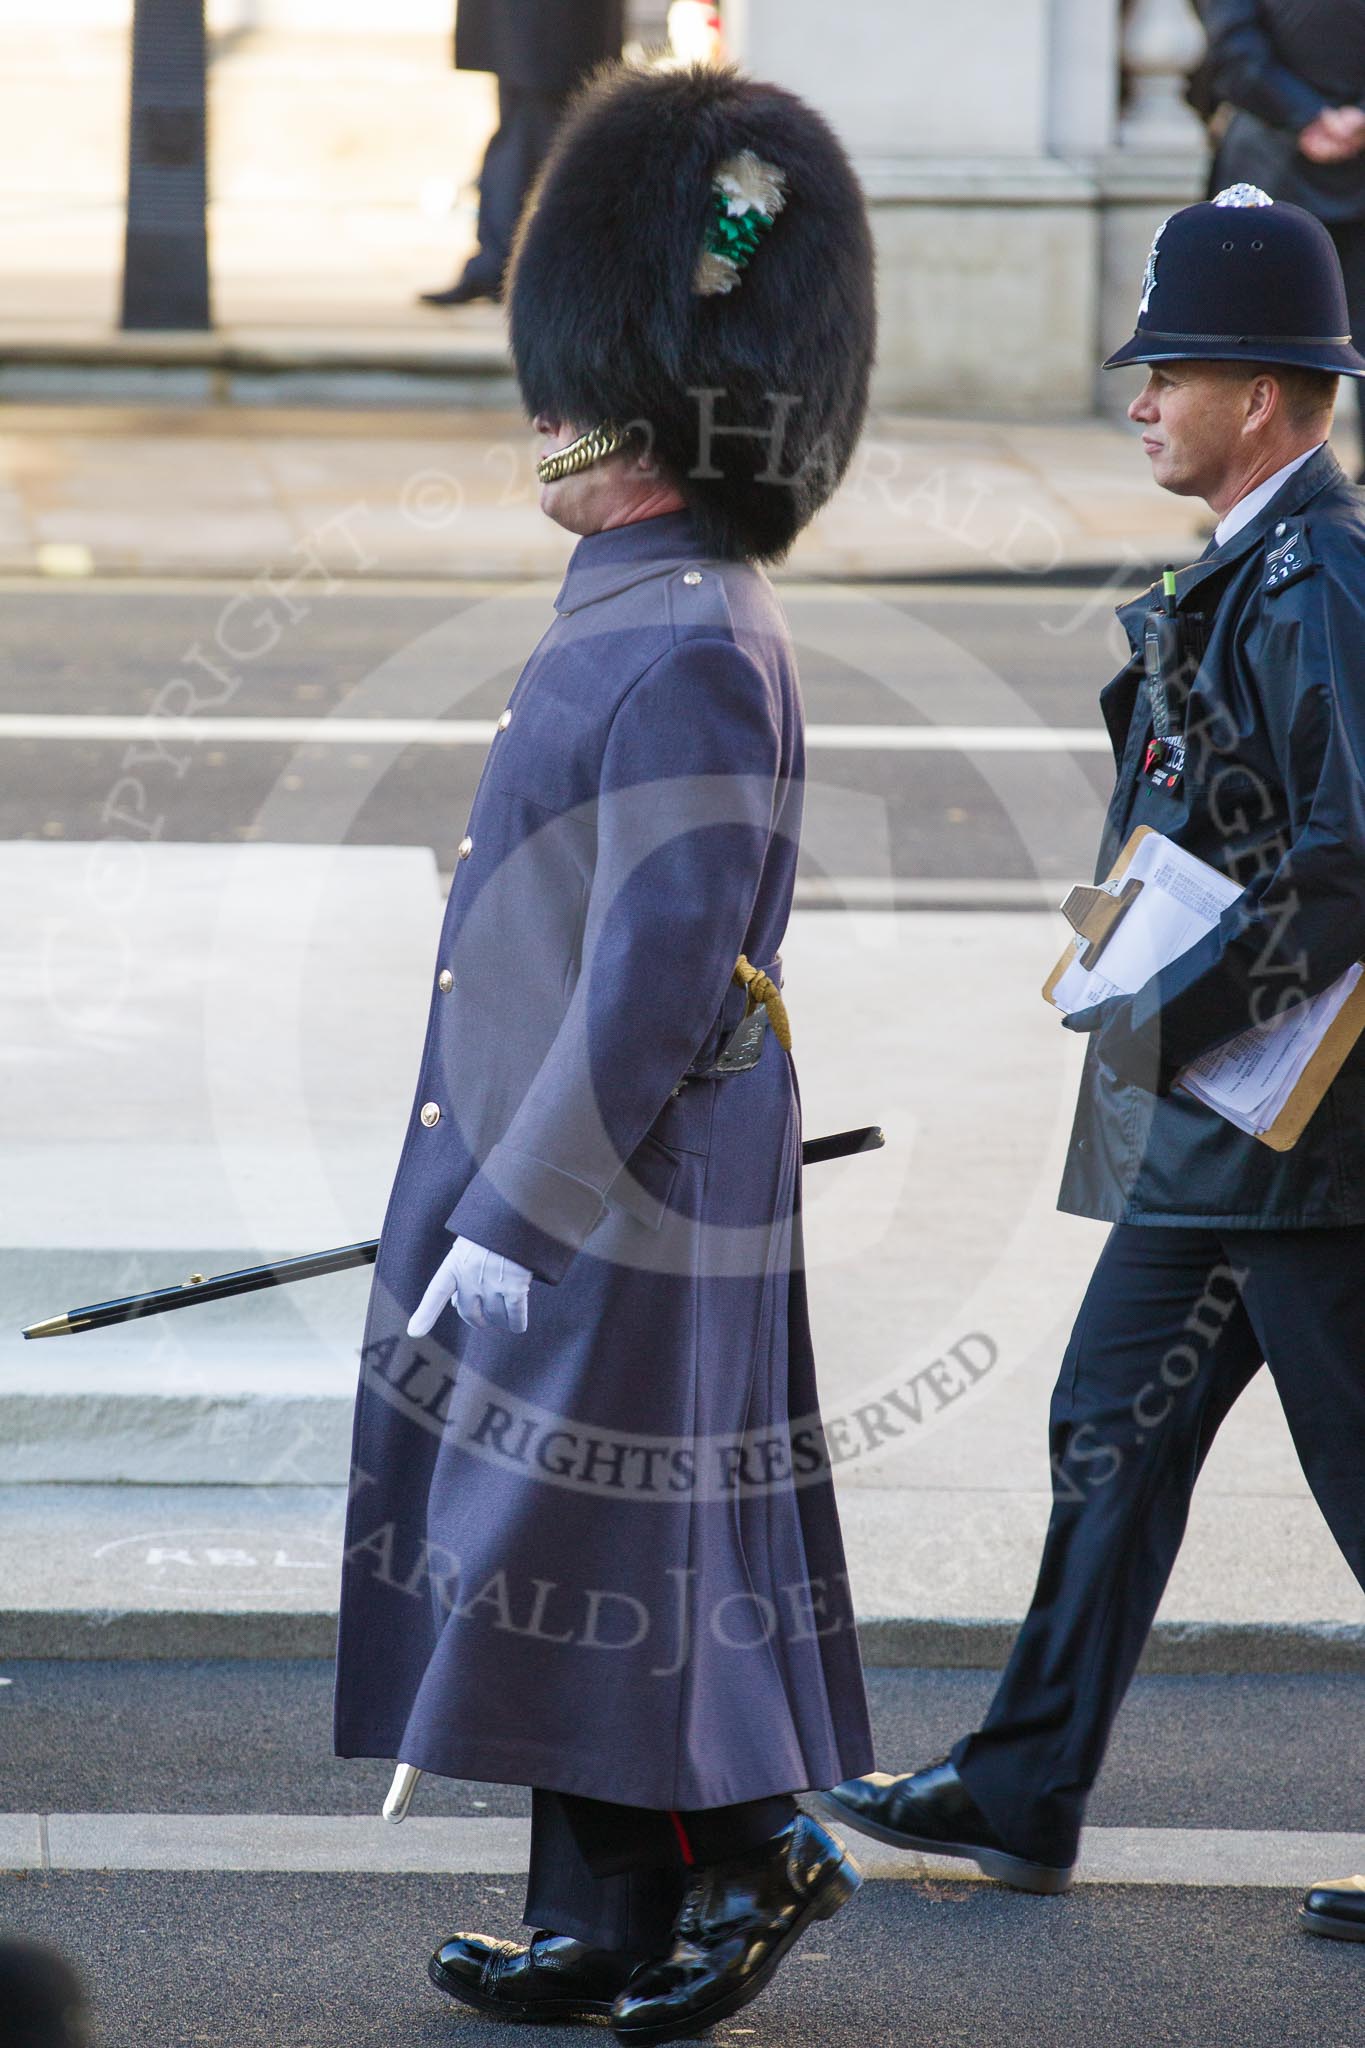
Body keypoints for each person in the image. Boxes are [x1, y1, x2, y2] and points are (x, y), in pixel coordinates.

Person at [336, 58, 878, 2041]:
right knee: (560, 1530)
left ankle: (749, 1847)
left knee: (613, 1541)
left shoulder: (691, 634)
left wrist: (525, 1216)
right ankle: (593, 1913)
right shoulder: (631, 595)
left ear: (659, 403)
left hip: (633, 1176)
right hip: (581, 1158)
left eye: (574, 384)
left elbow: (654, 979)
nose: (539, 417)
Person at [817, 187, 1365, 1933]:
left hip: (1312, 1131)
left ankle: (1024, 1771)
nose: (1137, 398)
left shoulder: (1320, 575)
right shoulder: (1252, 564)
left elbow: (1352, 860)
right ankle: (1026, 1778)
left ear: (1265, 396)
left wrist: (1174, 1007)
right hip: (1231, 1131)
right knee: (1106, 1419)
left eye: (1168, 372)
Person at [1203, 0, 1365, 461]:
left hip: (1269, 165)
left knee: (1257, 340)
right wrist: (1353, 119)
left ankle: (1257, 492)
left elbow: (1238, 54)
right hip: (1271, 170)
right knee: (1257, 339)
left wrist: (1312, 115)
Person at [418, 0, 624, 306]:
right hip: (528, 23)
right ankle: (506, 264)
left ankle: (515, 266)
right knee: (522, 115)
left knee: (535, 131)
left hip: (553, 22)